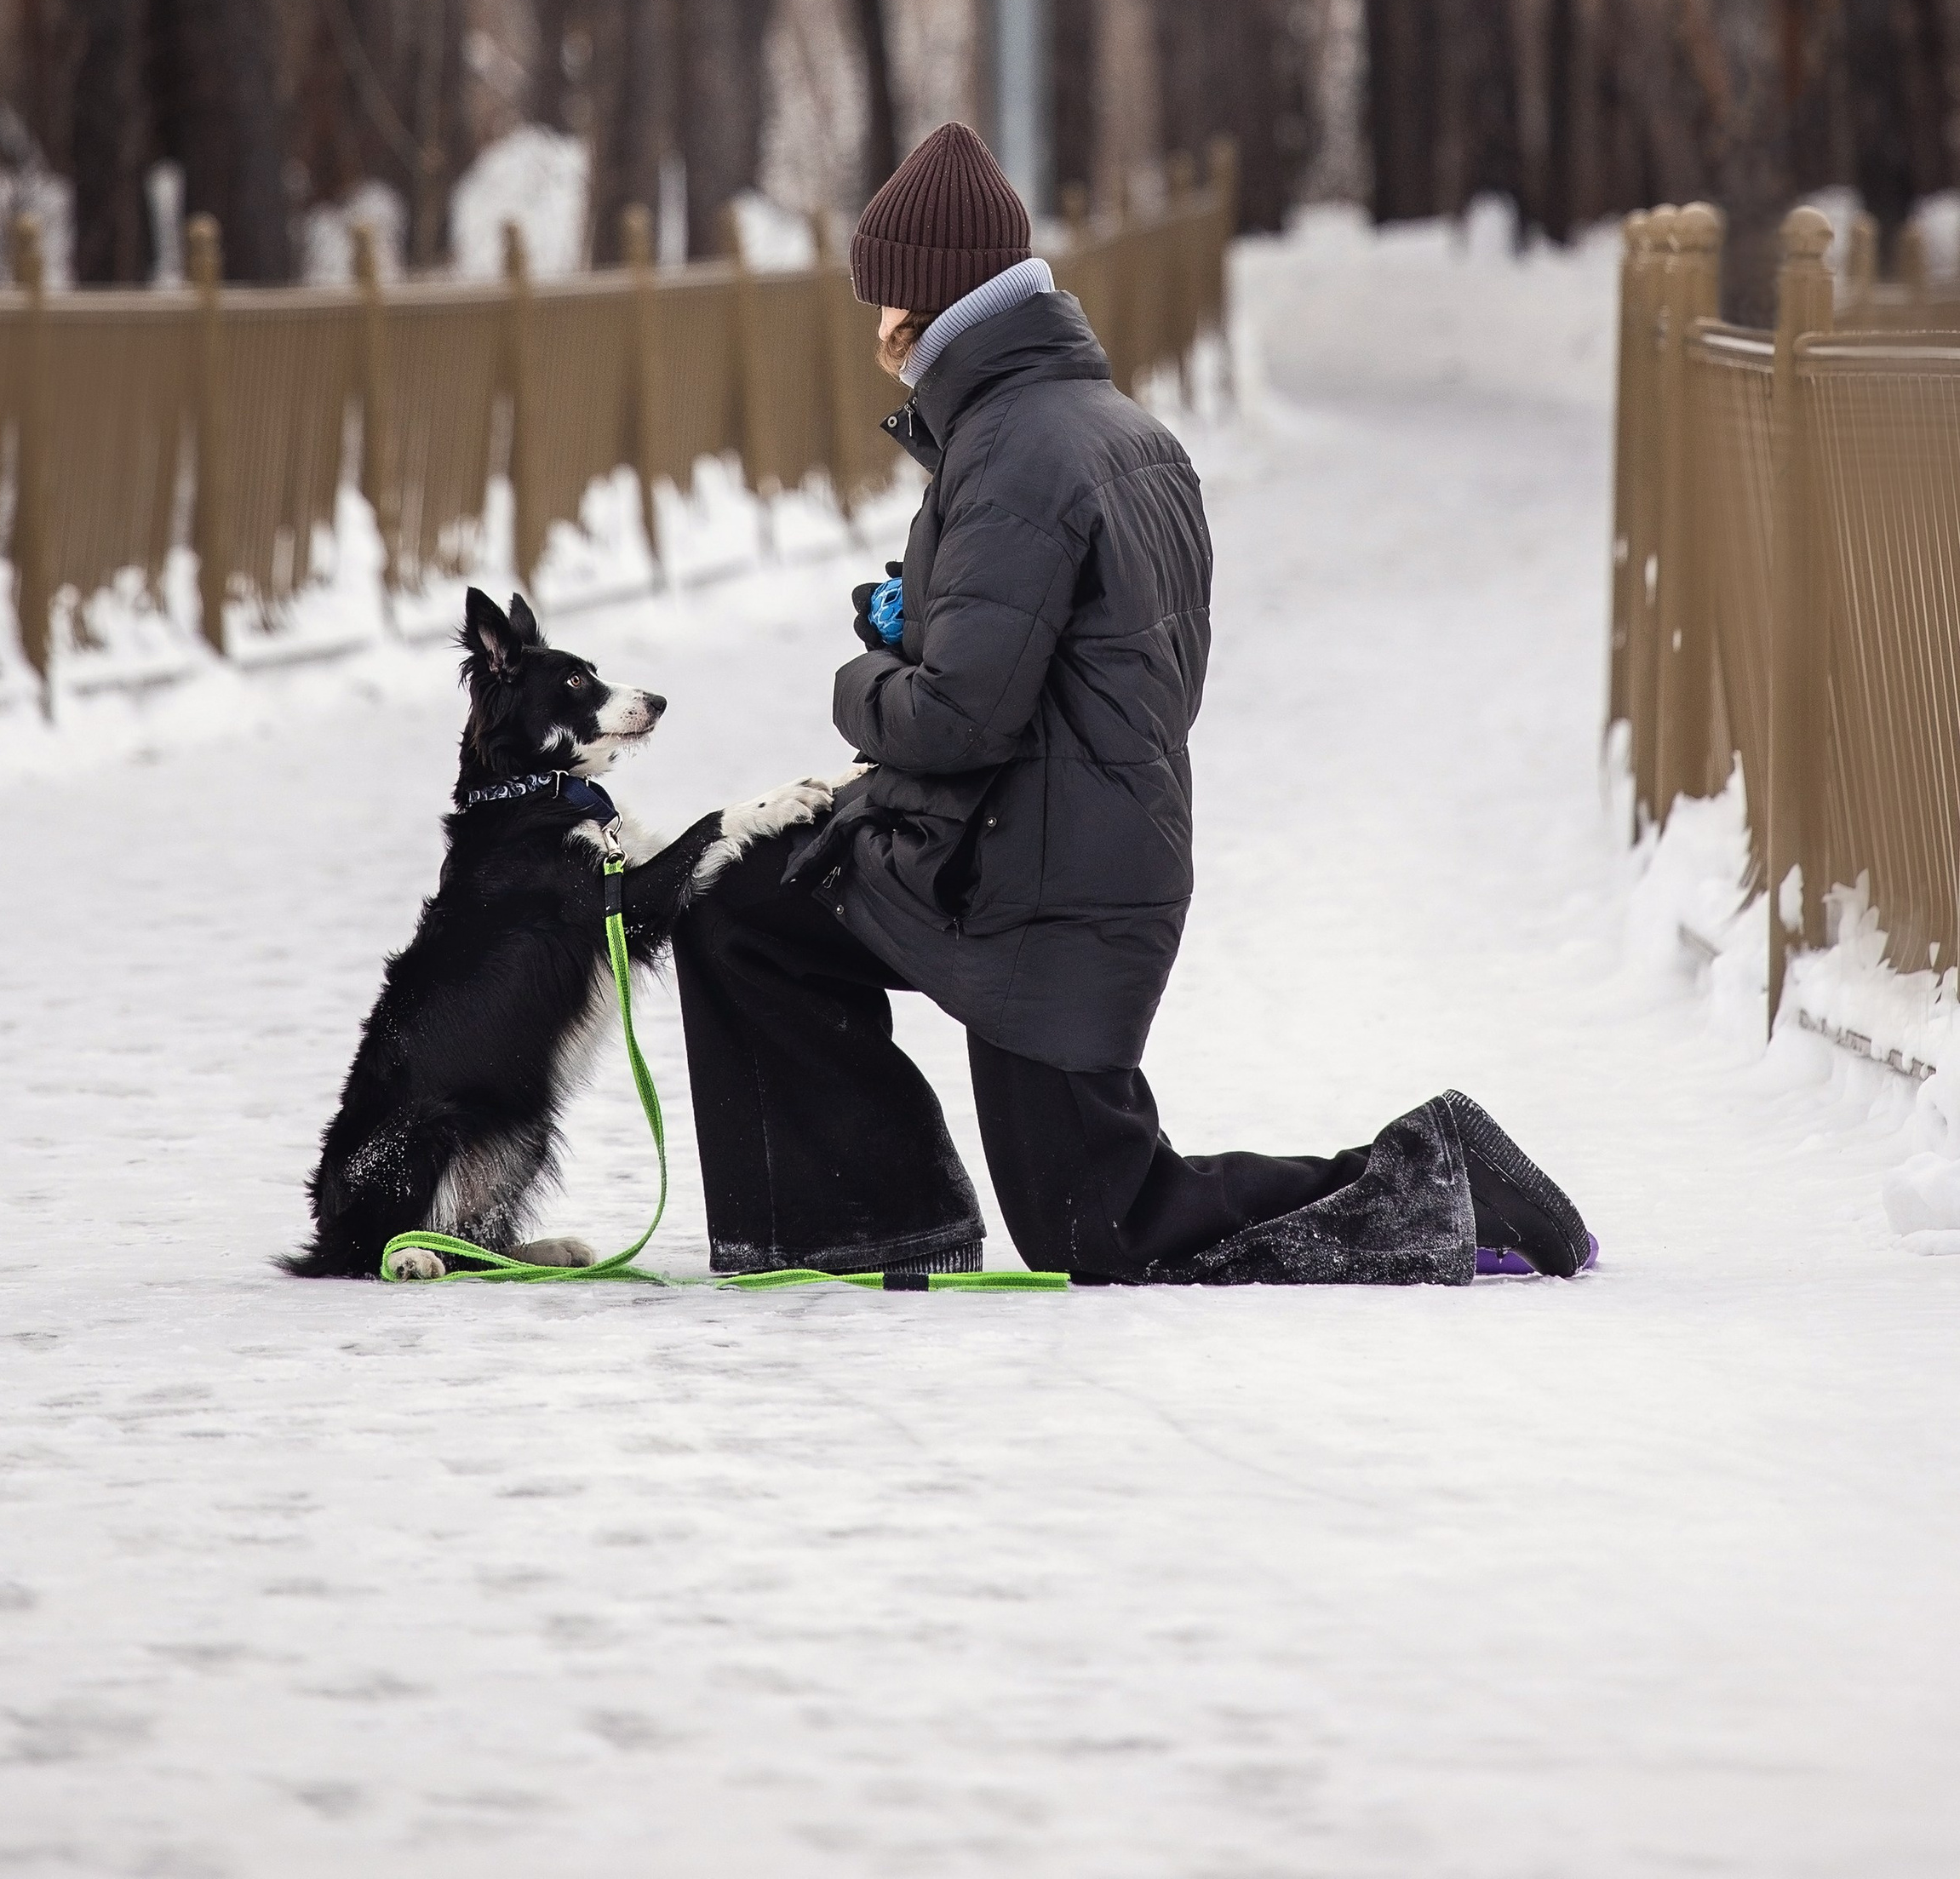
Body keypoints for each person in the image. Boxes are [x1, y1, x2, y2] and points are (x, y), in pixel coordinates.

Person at [673, 123, 1595, 1285]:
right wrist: (934, 630)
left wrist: (861, 684)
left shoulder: (1015, 450)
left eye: (880, 307)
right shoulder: (1116, 430)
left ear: (923, 309)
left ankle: (1440, 1182)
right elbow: (1111, 676)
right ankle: (864, 1222)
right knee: (747, 906)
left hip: (1030, 885)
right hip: (1070, 857)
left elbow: (962, 721)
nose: (872, 336)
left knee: (1103, 1224)